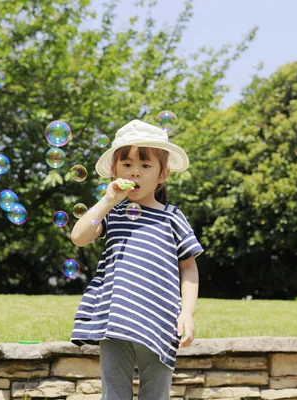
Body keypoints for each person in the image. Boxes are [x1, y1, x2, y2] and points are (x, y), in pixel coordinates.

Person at [70, 119, 204, 400]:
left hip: (160, 319)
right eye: (127, 164)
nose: (135, 172)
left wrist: (187, 313)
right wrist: (107, 201)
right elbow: (79, 236)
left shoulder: (172, 217)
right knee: (114, 394)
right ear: (114, 170)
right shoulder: (112, 214)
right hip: (115, 317)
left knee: (155, 395)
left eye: (145, 165)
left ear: (162, 174)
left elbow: (189, 267)